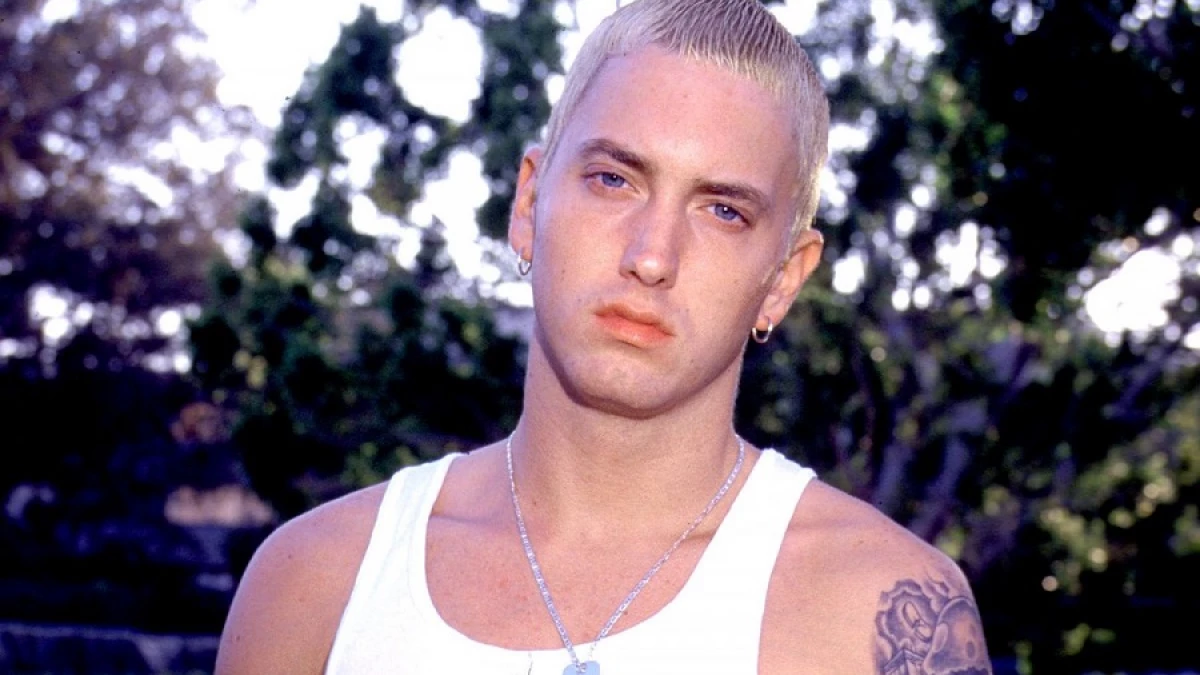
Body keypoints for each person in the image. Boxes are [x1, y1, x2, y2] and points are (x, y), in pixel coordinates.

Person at [214, 0, 993, 673]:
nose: (651, 256)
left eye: (723, 211)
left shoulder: (884, 614)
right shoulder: (315, 583)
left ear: (784, 278)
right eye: (614, 179)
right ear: (529, 204)